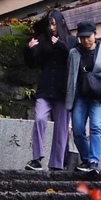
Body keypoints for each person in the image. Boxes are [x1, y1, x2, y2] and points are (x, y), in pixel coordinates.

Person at [66, 21, 101, 174]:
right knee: (77, 129)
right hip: (80, 96)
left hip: (99, 95)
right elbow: (70, 77)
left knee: (96, 127)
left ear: (96, 34)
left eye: (88, 37)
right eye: (82, 37)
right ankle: (88, 159)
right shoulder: (74, 53)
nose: (85, 40)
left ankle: (94, 161)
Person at [24, 10, 72, 171]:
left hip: (63, 91)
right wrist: (29, 50)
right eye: (49, 24)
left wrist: (60, 45)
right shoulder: (44, 42)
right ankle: (36, 158)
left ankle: (57, 164)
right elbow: (33, 64)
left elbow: (72, 58)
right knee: (39, 119)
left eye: (54, 23)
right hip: (45, 89)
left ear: (61, 23)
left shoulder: (71, 40)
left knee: (61, 127)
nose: (52, 27)